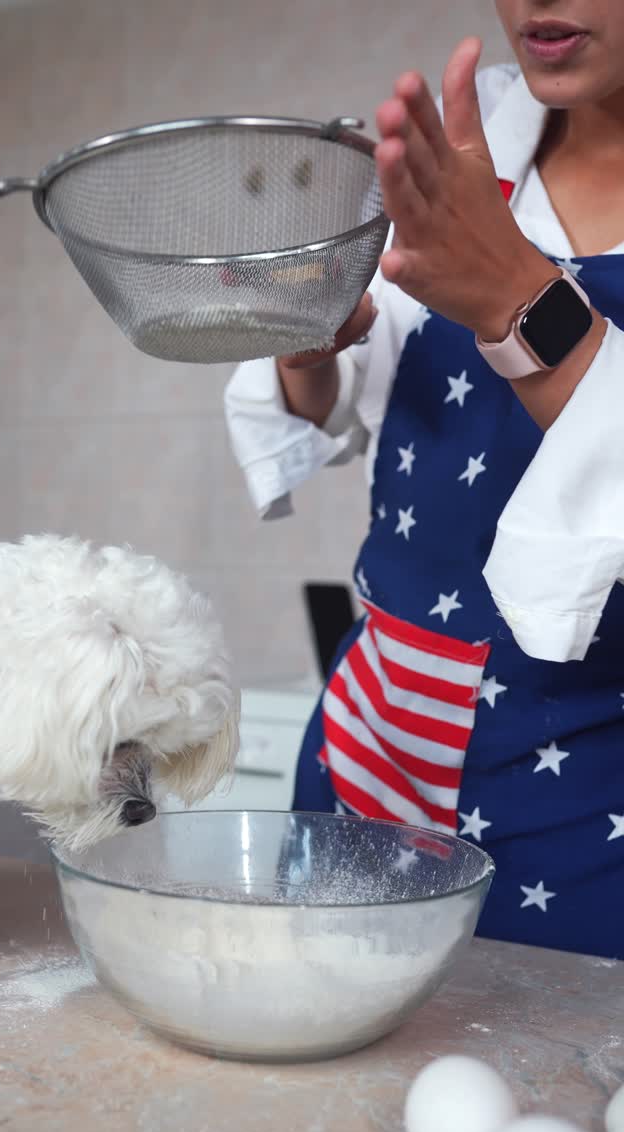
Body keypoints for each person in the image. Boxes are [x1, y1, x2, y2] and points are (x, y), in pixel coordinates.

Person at [224, 1, 624, 960]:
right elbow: (345, 388)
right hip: (371, 742)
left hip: (590, 801)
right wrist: (307, 347)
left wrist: (519, 302)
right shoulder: (465, 152)